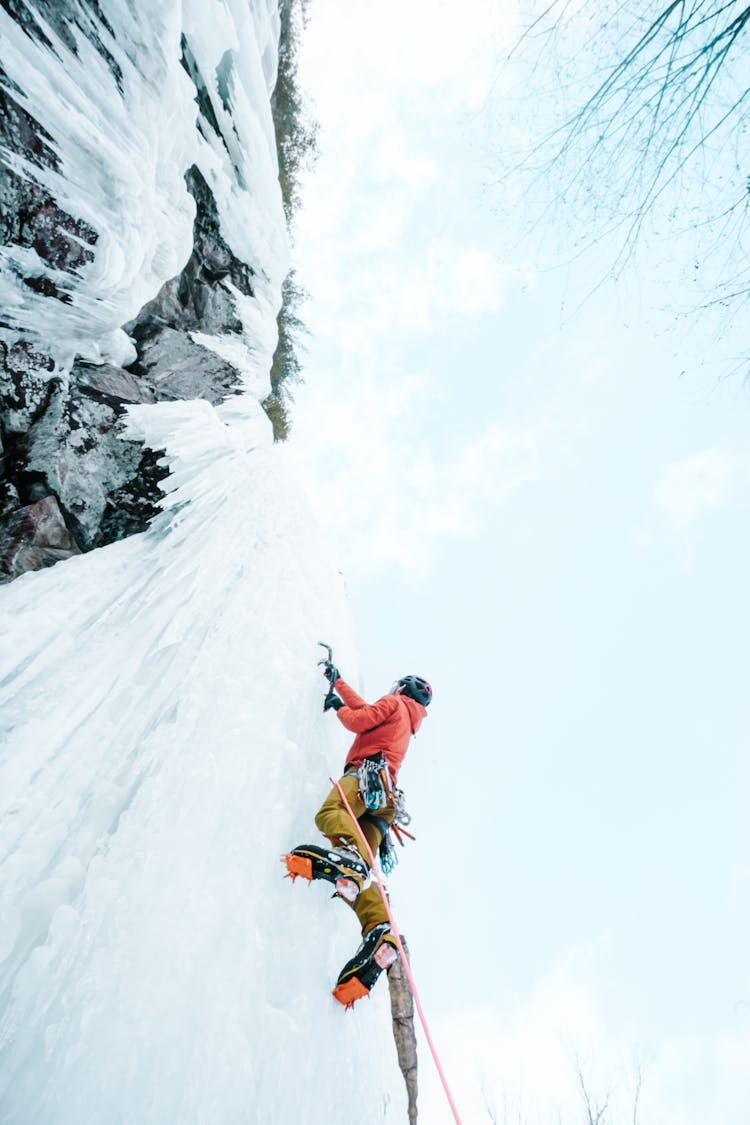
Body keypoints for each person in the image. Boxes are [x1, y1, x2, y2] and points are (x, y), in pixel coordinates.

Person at [284, 663, 432, 1008]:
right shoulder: (406, 720)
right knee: (361, 870)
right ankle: (379, 929)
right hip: (384, 805)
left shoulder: (394, 704)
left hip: (366, 778)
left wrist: (337, 706)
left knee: (330, 814)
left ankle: (350, 863)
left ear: (401, 689)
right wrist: (338, 682)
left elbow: (359, 719)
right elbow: (367, 710)